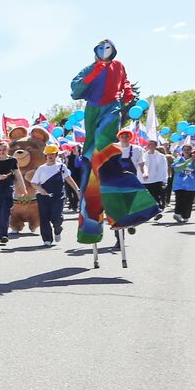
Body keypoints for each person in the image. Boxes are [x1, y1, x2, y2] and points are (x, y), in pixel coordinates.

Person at [70, 40, 159, 242]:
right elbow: (76, 89)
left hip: (112, 107)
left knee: (103, 142)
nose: (104, 52)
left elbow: (124, 80)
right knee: (92, 157)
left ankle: (129, 207)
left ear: (114, 52)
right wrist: (94, 72)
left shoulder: (119, 66)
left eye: (107, 49)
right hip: (92, 110)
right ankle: (90, 229)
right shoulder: (89, 68)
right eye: (100, 49)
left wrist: (127, 90)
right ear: (95, 52)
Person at [30, 145, 78, 247]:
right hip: (43, 197)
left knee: (56, 217)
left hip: (58, 196)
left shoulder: (61, 167)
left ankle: (57, 229)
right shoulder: (41, 169)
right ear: (45, 156)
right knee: (44, 218)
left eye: (52, 154)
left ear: (56, 155)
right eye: (48, 154)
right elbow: (34, 183)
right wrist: (41, 190)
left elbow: (68, 179)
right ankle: (47, 239)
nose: (50, 156)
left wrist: (77, 190)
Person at [171, 144, 195, 223]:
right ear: (182, 151)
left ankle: (186, 216)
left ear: (191, 151)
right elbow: (177, 168)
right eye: (185, 149)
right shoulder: (178, 159)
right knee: (179, 200)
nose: (186, 151)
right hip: (179, 184)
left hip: (191, 185)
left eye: (188, 149)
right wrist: (189, 161)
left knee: (188, 202)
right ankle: (177, 214)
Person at [139, 140, 169, 210]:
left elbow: (164, 168)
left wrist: (165, 180)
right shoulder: (143, 156)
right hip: (146, 181)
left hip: (157, 180)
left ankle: (157, 210)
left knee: (156, 197)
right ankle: (152, 211)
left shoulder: (161, 156)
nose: (150, 146)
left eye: (152, 144)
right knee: (148, 198)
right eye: (149, 144)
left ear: (155, 146)